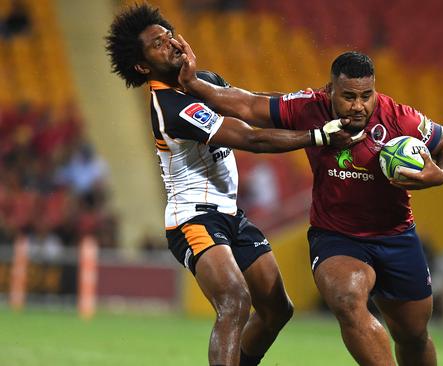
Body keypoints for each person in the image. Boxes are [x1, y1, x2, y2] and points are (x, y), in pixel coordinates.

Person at [175, 35, 443, 365]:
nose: (358, 105)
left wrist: (438, 174)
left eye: (366, 96)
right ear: (330, 90)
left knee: (413, 335)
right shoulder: (308, 108)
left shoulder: (399, 117)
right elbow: (248, 105)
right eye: (348, 97)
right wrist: (194, 84)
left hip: (396, 236)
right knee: (346, 300)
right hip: (337, 237)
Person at [104, 4, 362, 366]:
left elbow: (253, 105)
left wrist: (315, 103)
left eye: (169, 35)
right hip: (193, 219)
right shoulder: (170, 106)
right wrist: (317, 135)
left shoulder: (203, 80)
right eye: (158, 44)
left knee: (276, 310)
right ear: (143, 66)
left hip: (230, 215)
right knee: (234, 301)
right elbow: (250, 138)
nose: (172, 44)